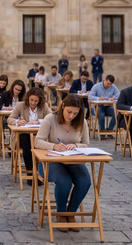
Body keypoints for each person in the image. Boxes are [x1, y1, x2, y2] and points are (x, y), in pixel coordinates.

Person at [34, 94, 91, 231]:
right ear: (63, 106)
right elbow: (38, 141)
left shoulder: (81, 122)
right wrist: (54, 146)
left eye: (75, 113)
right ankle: (61, 213)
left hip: (72, 160)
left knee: (85, 181)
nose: (71, 116)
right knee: (64, 181)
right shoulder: (50, 119)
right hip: (50, 161)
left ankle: (70, 213)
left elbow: (86, 144)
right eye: (69, 112)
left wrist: (76, 146)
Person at [8, 87, 51, 185]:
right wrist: (17, 121)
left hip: (38, 135)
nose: (33, 102)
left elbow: (51, 118)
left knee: (40, 147)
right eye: (31, 100)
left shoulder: (44, 106)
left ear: (40, 101)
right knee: (27, 148)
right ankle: (30, 173)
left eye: (36, 101)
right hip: (24, 134)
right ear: (28, 99)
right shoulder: (21, 106)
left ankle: (39, 173)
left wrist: (38, 121)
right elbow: (10, 119)